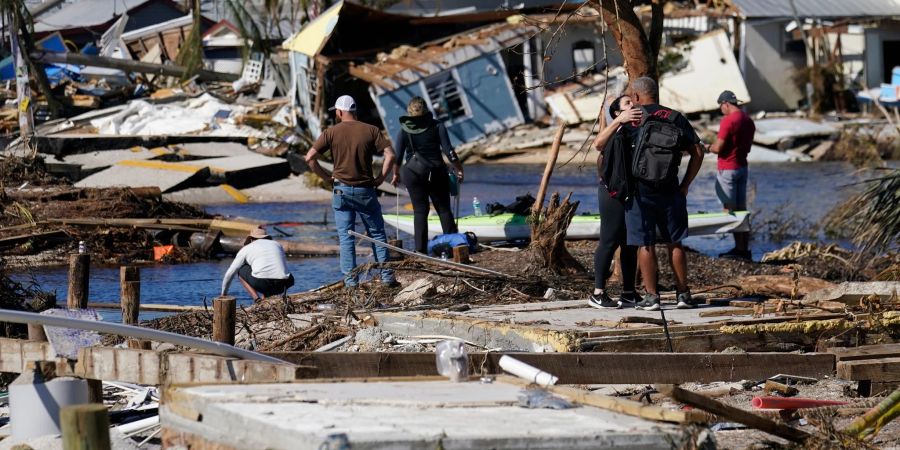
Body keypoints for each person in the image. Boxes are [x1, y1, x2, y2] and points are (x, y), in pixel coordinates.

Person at [624, 77, 704, 311]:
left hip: (639, 191)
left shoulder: (633, 119)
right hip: (671, 189)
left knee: (645, 244)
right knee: (674, 242)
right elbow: (697, 152)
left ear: (637, 97)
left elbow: (610, 153)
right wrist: (686, 184)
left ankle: (652, 297)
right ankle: (683, 294)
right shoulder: (675, 117)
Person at [305, 95, 398, 288]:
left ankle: (351, 283)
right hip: (366, 190)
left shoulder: (330, 132)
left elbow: (310, 158)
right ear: (355, 111)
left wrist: (326, 177)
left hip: (341, 191)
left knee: (346, 238)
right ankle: (387, 277)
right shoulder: (371, 130)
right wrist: (381, 178)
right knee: (377, 234)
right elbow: (390, 155)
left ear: (339, 112)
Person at [391, 96, 465, 254]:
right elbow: (448, 151)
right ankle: (453, 247)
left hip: (411, 173)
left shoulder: (404, 130)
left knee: (420, 211)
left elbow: (397, 157)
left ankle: (420, 251)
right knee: (444, 209)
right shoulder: (437, 126)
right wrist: (459, 169)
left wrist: (395, 174)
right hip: (436, 171)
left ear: (409, 112)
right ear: (425, 110)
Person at [589, 94, 641, 309]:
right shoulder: (616, 129)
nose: (633, 106)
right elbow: (598, 143)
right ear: (617, 113)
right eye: (627, 103)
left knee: (630, 243)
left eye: (633, 102)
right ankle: (598, 293)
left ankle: (629, 292)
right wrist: (618, 120)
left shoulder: (635, 130)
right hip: (611, 193)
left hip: (631, 192)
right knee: (609, 241)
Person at [710, 90, 754, 261]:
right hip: (742, 167)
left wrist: (707, 147)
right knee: (742, 209)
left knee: (730, 210)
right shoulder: (748, 120)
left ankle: (738, 250)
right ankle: (744, 249)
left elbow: (718, 147)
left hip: (727, 169)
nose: (721, 109)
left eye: (720, 106)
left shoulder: (728, 120)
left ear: (725, 104)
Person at [221, 227, 294, 302]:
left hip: (263, 284)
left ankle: (257, 299)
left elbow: (230, 273)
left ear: (251, 239)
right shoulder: (277, 244)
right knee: (270, 271)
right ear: (267, 237)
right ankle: (266, 298)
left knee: (240, 269)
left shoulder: (246, 248)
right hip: (285, 283)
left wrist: (223, 294)